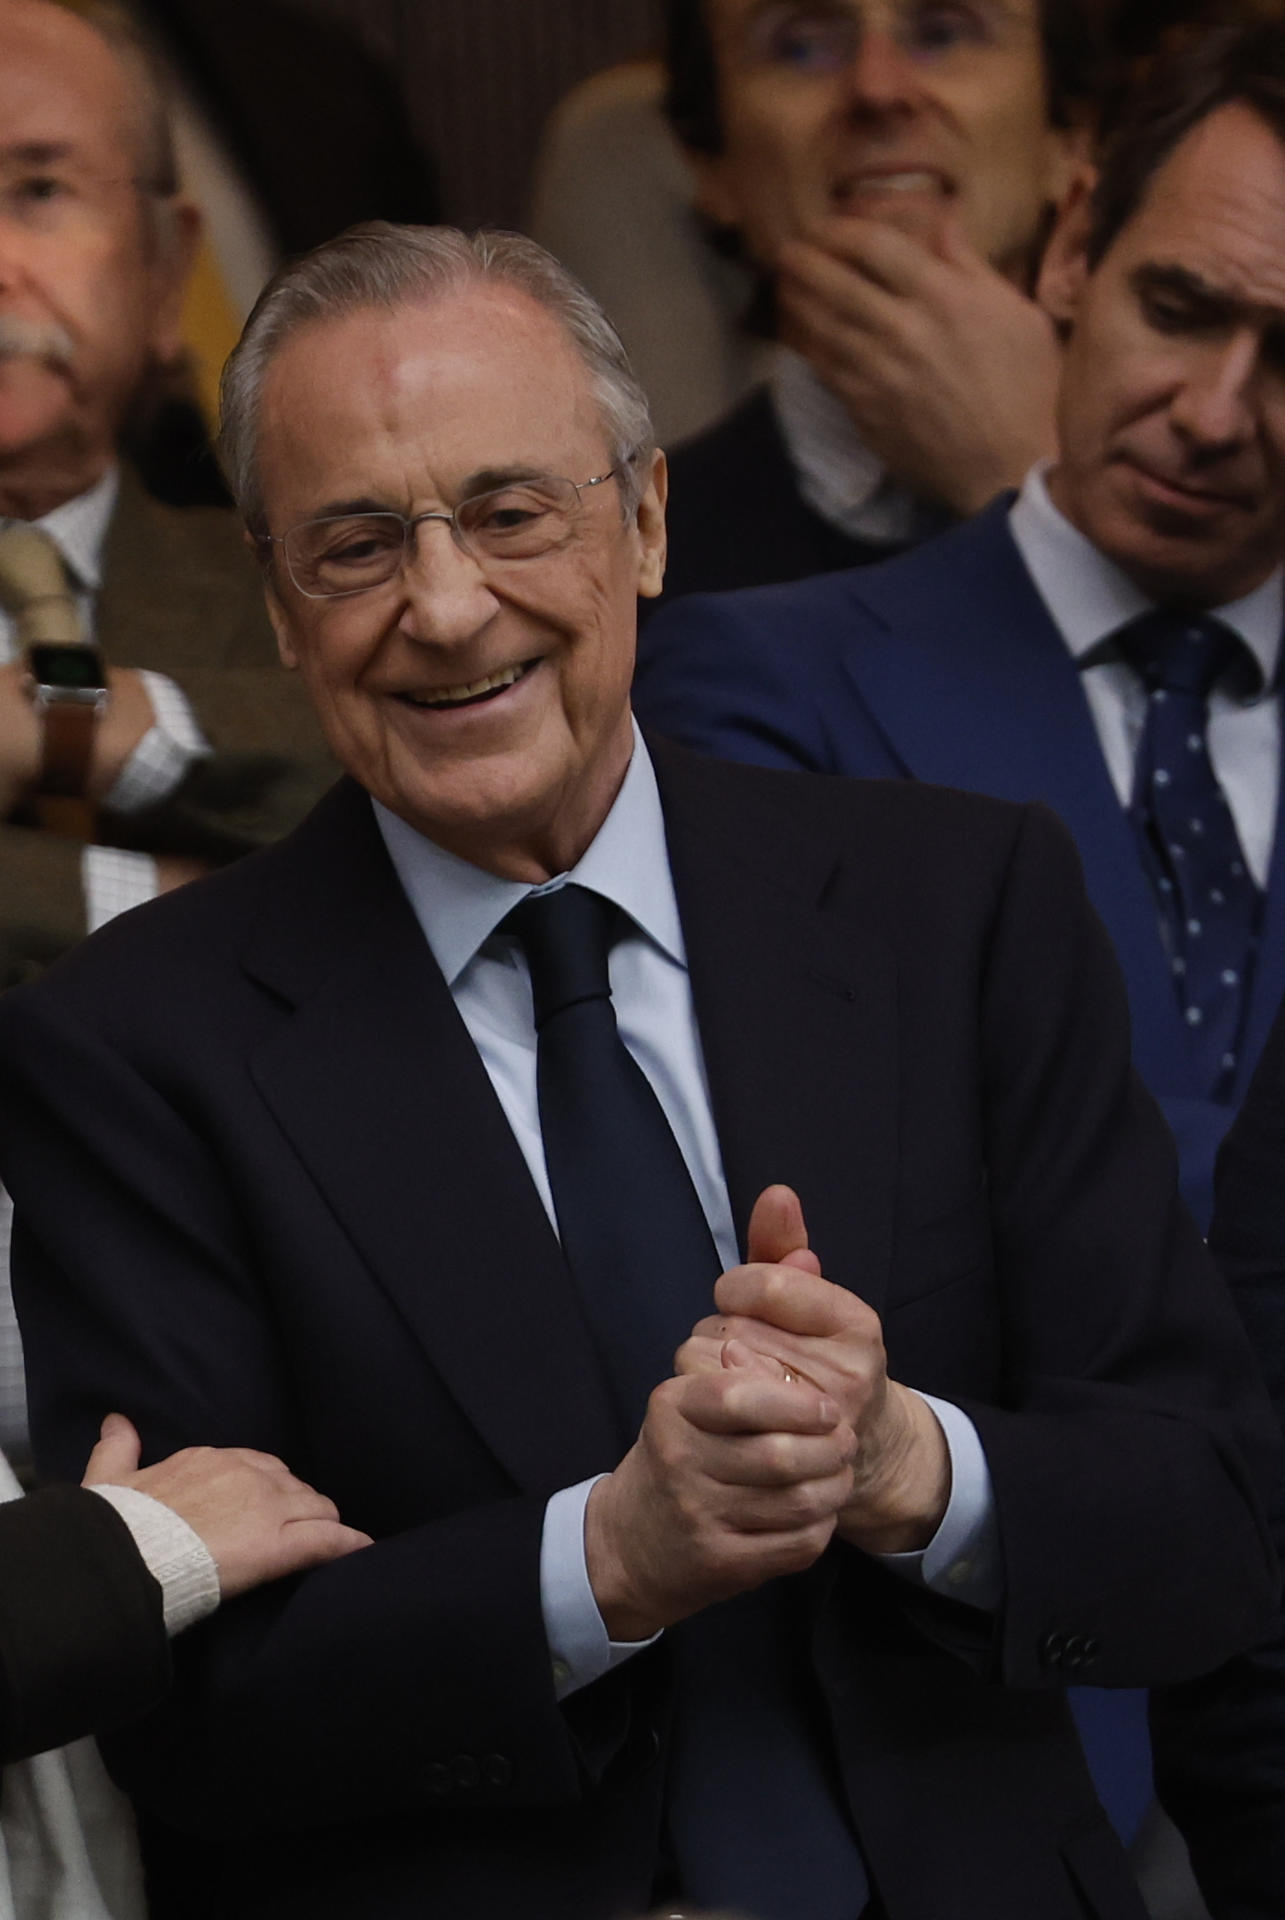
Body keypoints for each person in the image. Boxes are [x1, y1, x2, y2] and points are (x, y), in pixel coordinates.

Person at [0, 221, 1275, 1920]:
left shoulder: (956, 908)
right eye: (358, 547)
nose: (448, 610)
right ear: (277, 609)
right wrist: (604, 1563)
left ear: (650, 519)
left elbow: (1203, 1527)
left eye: (514, 511)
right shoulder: (132, 1045)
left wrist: (907, 1466)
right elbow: (199, 1721)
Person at [634, 22, 1285, 1907]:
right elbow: (814, 1211)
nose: (1223, 410)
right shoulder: (766, 673)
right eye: (1177, 306)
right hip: (980, 1718)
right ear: (1069, 247)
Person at [0, 0, 333, 994]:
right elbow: (325, 917)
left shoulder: (299, 582)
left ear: (163, 272)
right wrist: (156, 898)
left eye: (39, 189)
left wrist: (65, 726)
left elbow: (437, 792)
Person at [651, 0, 1099, 606]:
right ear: (709, 165)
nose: (877, 88)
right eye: (800, 45)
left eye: (944, 32)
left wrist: (1026, 477)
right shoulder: (636, 561)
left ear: (1069, 138)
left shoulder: (1227, 484)